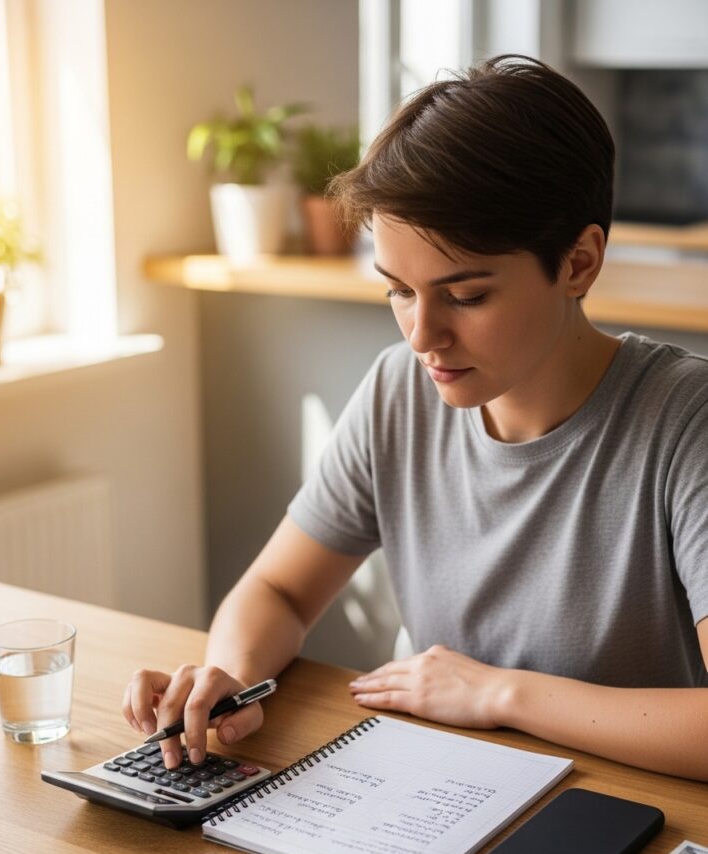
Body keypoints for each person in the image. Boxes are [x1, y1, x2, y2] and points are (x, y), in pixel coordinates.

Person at [123, 54, 708, 781]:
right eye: (398, 290)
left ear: (578, 263)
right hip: (437, 790)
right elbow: (277, 589)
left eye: (464, 296)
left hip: (628, 821)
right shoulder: (398, 391)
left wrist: (499, 693)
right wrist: (232, 676)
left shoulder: (688, 424)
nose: (421, 335)